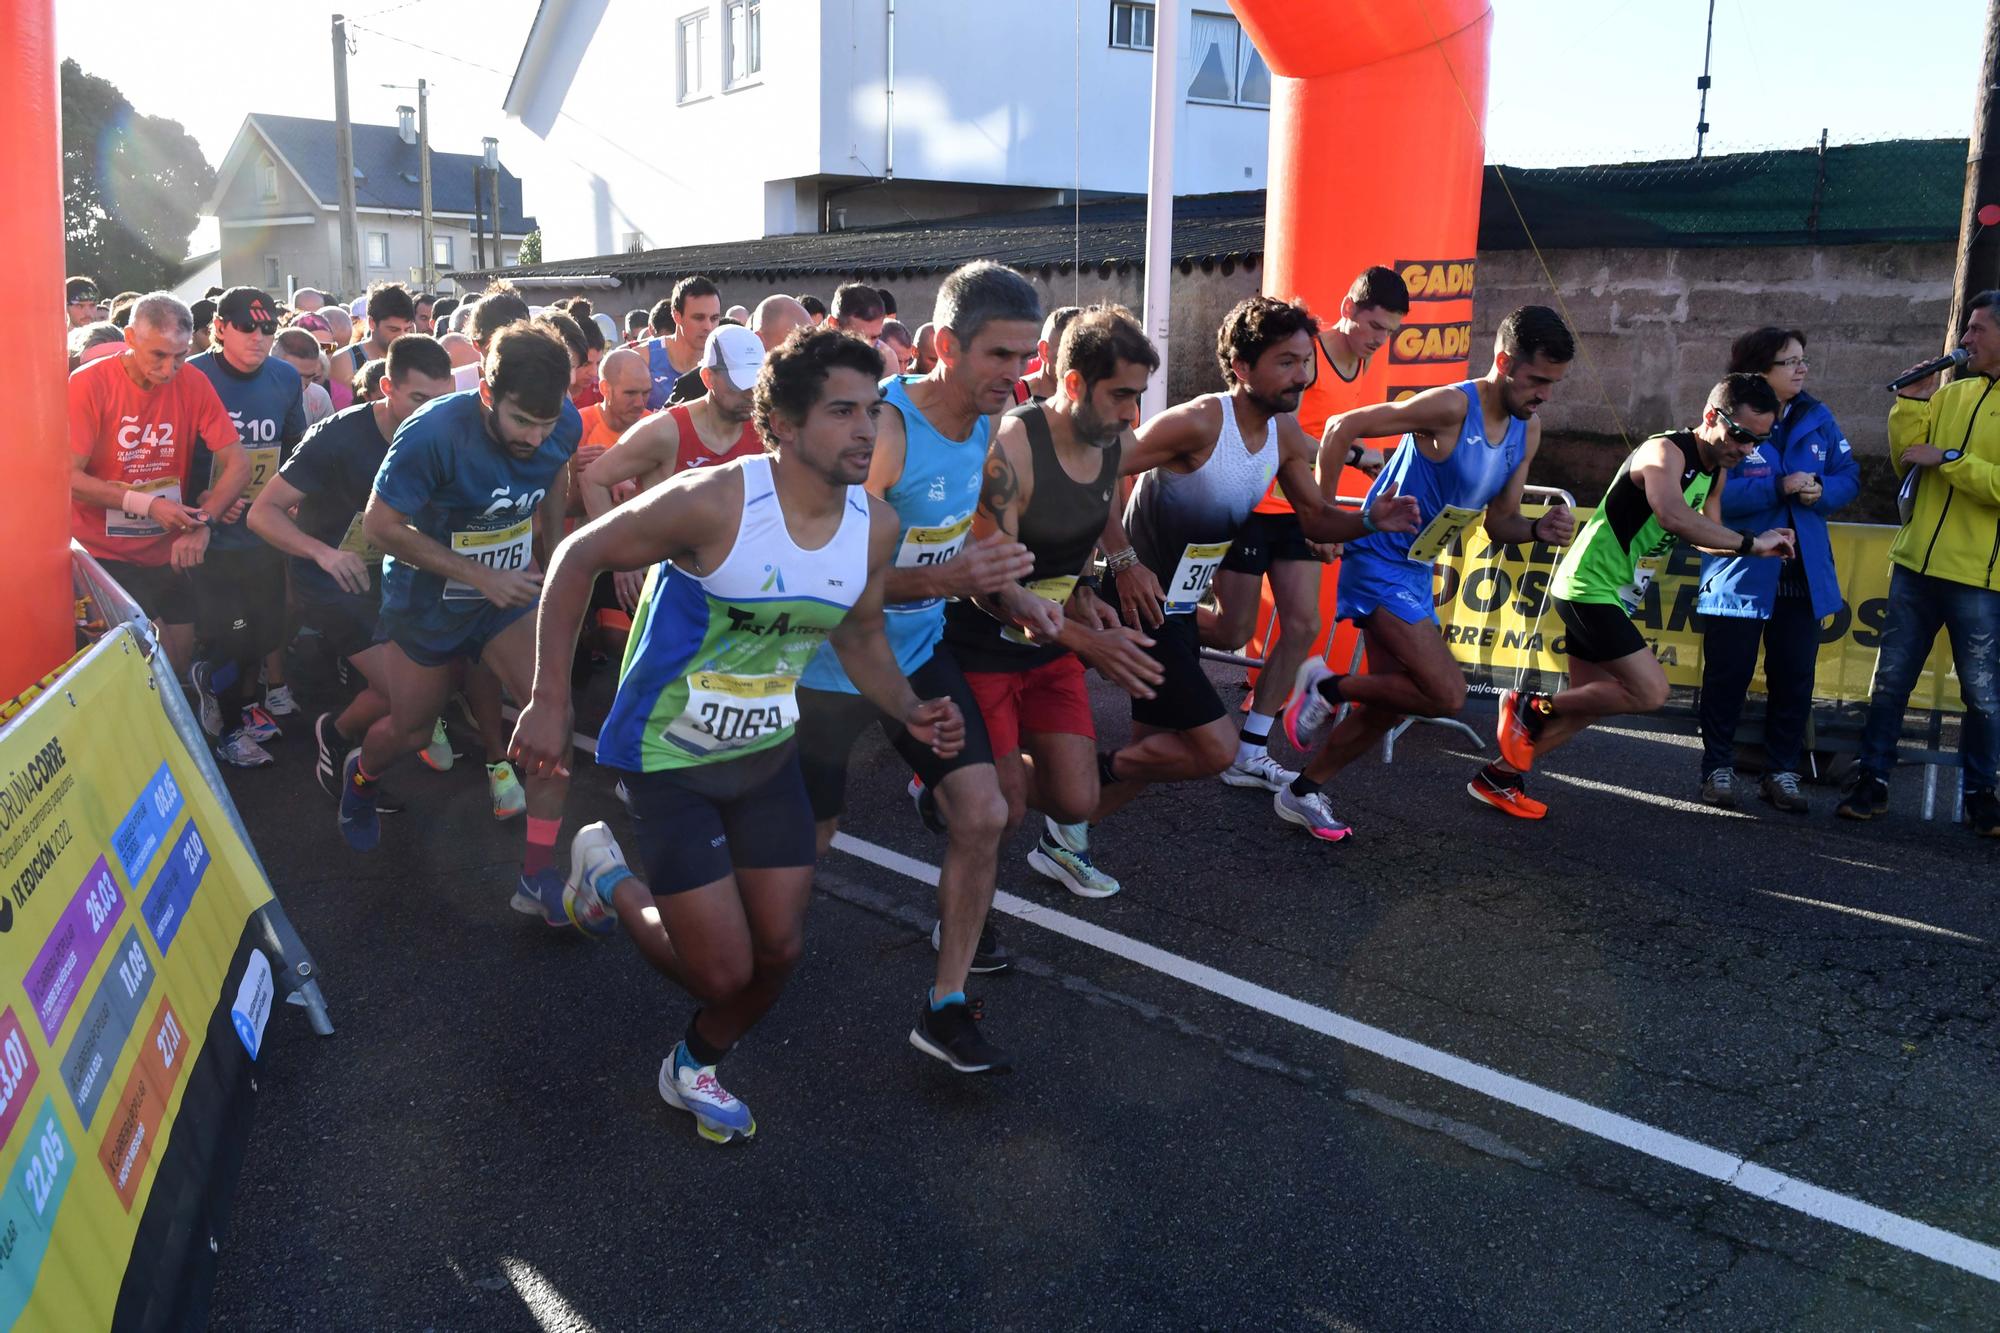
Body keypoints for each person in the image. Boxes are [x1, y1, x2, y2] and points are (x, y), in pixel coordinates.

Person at [512, 328, 965, 1140]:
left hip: (763, 752)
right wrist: (550, 698)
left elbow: (860, 633)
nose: (866, 428)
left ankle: (693, 1063)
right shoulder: (717, 500)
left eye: (872, 409)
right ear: (784, 425)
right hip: (668, 754)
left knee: (781, 950)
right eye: (841, 411)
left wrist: (908, 706)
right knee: (722, 970)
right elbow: (577, 554)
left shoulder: (875, 525)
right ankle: (606, 870)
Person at [1042, 296, 1418, 892]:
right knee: (1215, 749)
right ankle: (1071, 787)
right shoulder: (1197, 422)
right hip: (1142, 598)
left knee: (1159, 746)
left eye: (1305, 362)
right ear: (1241, 367)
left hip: (1181, 604)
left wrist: (1373, 518)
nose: (1304, 375)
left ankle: (1067, 835)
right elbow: (1101, 466)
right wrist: (1123, 559)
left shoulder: (1286, 434)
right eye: (1287, 362)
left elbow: (1317, 519)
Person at [796, 261, 1041, 1073]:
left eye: (1026, 355)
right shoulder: (885, 434)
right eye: (1000, 355)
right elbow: (832, 577)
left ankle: (945, 1005)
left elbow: (954, 530)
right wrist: (947, 579)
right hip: (833, 668)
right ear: (945, 345)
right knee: (811, 842)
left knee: (984, 813)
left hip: (919, 651)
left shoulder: (982, 424)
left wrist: (1017, 594)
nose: (1016, 373)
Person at [1279, 305, 1577, 836]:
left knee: (1389, 704)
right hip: (1377, 559)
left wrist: (1537, 529)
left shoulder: (1526, 432)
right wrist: (1323, 517)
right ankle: (1328, 687)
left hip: (1415, 568)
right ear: (1504, 361)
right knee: (1446, 694)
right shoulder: (1449, 407)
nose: (1544, 395)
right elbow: (1341, 427)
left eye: (1553, 384)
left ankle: (1302, 792)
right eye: (1536, 380)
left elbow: (1500, 522)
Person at [339, 321, 584, 930]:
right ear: (486, 397)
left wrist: (551, 554)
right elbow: (380, 527)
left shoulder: (561, 421)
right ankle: (361, 775)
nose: (533, 437)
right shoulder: (432, 432)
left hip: (506, 594)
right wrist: (478, 575)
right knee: (414, 731)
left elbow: (556, 474)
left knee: (550, 711)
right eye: (521, 422)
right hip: (428, 599)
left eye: (545, 423)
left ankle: (537, 874)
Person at [1485, 374, 1797, 814]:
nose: (1746, 450)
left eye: (1757, 442)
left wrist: (1755, 545)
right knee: (1650, 692)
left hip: (1612, 591)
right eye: (1741, 435)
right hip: (1588, 584)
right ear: (1711, 416)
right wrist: (1750, 543)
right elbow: (1671, 515)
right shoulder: (1663, 451)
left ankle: (1499, 777)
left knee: (1586, 705)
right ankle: (1526, 706)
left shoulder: (1716, 472)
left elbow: (1705, 535)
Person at [943, 306, 1166, 862]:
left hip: (1050, 643)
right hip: (983, 645)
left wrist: (1088, 593)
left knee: (1076, 799)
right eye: (1119, 395)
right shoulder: (1013, 447)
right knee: (1006, 810)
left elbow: (1077, 537)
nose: (1131, 411)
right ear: (1073, 383)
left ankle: (961, 773)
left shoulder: (1112, 441)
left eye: (1137, 395)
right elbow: (992, 588)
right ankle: (953, 779)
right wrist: (1089, 642)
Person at [1207, 266, 1411, 793]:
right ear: (1347, 307)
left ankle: (1249, 751)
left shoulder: (1366, 367)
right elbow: (1280, 428)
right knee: (1232, 631)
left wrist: (1367, 468)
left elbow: (1351, 438)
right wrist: (1349, 458)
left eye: (1388, 331)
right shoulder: (1305, 354)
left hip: (1301, 511)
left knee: (1302, 627)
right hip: (1255, 503)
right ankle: (1145, 628)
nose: (1378, 340)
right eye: (1373, 326)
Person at [249, 335, 456, 801]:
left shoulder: (445, 432)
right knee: (407, 700)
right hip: (332, 579)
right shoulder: (338, 435)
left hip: (395, 577)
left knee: (407, 698)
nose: (432, 412)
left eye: (442, 400)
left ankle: (338, 735)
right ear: (387, 387)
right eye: (419, 399)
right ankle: (346, 751)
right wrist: (323, 554)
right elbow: (261, 513)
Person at [1838, 291, 2000, 834]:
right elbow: (1905, 456)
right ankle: (1873, 779)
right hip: (1916, 564)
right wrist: (1909, 403)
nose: (1965, 340)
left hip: (1981, 577)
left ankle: (1983, 792)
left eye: (1977, 329)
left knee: (1983, 693)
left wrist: (1951, 459)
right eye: (1967, 329)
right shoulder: (1952, 395)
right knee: (1890, 682)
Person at [1695, 328, 1860, 812]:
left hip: (1803, 576)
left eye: (1802, 359)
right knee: (1728, 675)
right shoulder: (1728, 417)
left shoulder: (1818, 416)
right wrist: (1778, 488)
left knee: (1794, 677)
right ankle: (1716, 768)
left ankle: (1783, 772)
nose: (1802, 369)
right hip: (1740, 572)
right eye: (1789, 362)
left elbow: (1849, 477)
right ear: (1759, 371)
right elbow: (1711, 498)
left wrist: (1820, 491)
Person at [69, 293, 249, 682]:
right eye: (158, 356)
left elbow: (238, 464)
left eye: (181, 355)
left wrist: (204, 523)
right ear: (130, 338)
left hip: (167, 551)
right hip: (104, 553)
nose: (170, 369)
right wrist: (147, 505)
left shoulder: (193, 382)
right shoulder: (89, 383)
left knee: (179, 663)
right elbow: (68, 479)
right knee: (154, 665)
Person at [181, 287, 307, 765]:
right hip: (211, 530)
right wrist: (205, 500)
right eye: (247, 327)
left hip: (262, 528)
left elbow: (295, 447)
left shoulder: (283, 377)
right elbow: (172, 454)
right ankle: (230, 729)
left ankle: (223, 690)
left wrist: (289, 499)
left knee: (263, 631)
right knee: (232, 631)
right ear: (219, 328)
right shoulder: (193, 375)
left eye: (269, 327)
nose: (260, 337)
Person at [580, 325, 770, 609]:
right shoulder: (666, 430)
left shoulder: (766, 431)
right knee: (615, 641)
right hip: (667, 583)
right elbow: (593, 479)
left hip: (731, 583)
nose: (749, 395)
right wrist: (618, 559)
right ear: (708, 378)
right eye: (738, 385)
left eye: (756, 384)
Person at [667, 294, 814, 405]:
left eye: (810, 345)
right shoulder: (696, 386)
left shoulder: (812, 384)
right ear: (758, 340)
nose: (804, 357)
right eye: (795, 347)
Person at [639, 277, 721, 409]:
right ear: (676, 316)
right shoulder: (643, 359)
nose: (708, 326)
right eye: (698, 318)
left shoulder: (725, 364)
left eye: (714, 318)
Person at [336, 283, 416, 383]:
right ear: (371, 323)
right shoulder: (344, 362)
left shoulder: (416, 360)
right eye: (394, 329)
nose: (402, 336)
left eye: (407, 329)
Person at [1013, 306, 1083, 405]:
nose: (1081, 361)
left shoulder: (1094, 399)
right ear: (1044, 351)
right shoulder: (1009, 397)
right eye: (1071, 352)